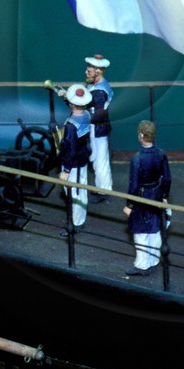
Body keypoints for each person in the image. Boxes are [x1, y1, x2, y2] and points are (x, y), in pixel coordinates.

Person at [122, 119, 170, 276]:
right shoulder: (161, 154)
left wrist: (129, 205)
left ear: (141, 136)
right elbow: (167, 178)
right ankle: (154, 259)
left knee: (141, 231)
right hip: (156, 194)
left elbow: (134, 185)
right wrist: (164, 195)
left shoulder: (137, 159)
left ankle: (142, 265)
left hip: (141, 197)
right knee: (155, 228)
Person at [58, 83, 94, 235]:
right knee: (81, 190)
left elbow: (70, 150)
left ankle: (76, 223)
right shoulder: (86, 114)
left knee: (74, 194)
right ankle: (78, 219)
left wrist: (66, 170)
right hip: (82, 159)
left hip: (73, 164)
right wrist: (64, 95)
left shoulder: (71, 126)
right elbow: (76, 106)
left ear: (73, 104)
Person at [84, 54, 114, 199]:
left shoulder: (99, 91)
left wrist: (81, 113)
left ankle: (104, 190)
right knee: (97, 159)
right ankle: (101, 187)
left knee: (100, 160)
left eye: (90, 69)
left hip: (98, 129)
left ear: (98, 71)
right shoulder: (96, 85)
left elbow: (98, 115)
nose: (86, 71)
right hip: (96, 128)